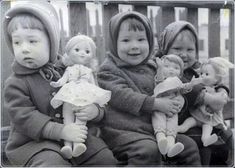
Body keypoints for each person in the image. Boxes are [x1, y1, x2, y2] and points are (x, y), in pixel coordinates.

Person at [3, 1, 117, 166]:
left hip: (75, 137)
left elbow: (92, 94)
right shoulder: (16, 83)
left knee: (104, 159)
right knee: (52, 164)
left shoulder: (69, 71)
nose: (24, 49)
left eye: (32, 41)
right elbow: (24, 117)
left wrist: (95, 111)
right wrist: (61, 131)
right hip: (35, 143)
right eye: (17, 42)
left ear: (52, 42)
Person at [97, 11, 201, 166]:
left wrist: (177, 100)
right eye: (126, 40)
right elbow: (122, 95)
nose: (135, 46)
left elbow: (169, 86)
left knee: (189, 146)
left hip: (155, 129)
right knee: (148, 150)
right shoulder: (108, 70)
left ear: (150, 42)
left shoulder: (154, 66)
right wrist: (155, 104)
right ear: (114, 43)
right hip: (123, 131)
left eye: (141, 39)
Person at [155, 20, 234, 166]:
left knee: (226, 135)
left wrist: (222, 90)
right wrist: (207, 98)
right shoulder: (169, 70)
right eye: (177, 49)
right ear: (165, 50)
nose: (184, 55)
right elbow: (188, 90)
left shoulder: (197, 67)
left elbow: (213, 77)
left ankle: (228, 160)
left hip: (202, 118)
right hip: (177, 123)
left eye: (190, 50)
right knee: (203, 142)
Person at [50, 34, 111, 159]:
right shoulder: (68, 69)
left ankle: (78, 144)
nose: (82, 54)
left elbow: (94, 86)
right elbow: (62, 80)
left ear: (92, 55)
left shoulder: (89, 72)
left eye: (87, 51)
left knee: (81, 119)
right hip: (69, 95)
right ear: (68, 51)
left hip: (84, 98)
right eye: (77, 50)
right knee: (67, 118)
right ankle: (67, 145)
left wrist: (98, 101)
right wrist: (57, 83)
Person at [152, 54, 203, 157]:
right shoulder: (161, 79)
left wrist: (192, 84)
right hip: (160, 107)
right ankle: (161, 140)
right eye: (167, 66)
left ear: (180, 73)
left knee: (172, 127)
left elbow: (184, 88)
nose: (171, 70)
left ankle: (171, 147)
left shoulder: (177, 81)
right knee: (159, 122)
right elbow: (159, 80)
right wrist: (160, 68)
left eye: (176, 68)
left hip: (173, 110)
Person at [178, 57, 233, 147]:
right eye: (201, 74)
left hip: (208, 118)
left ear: (216, 79)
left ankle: (206, 139)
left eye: (206, 74)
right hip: (196, 115)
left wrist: (222, 93)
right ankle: (180, 128)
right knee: (189, 122)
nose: (202, 76)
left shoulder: (215, 90)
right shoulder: (199, 85)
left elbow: (219, 103)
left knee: (207, 127)